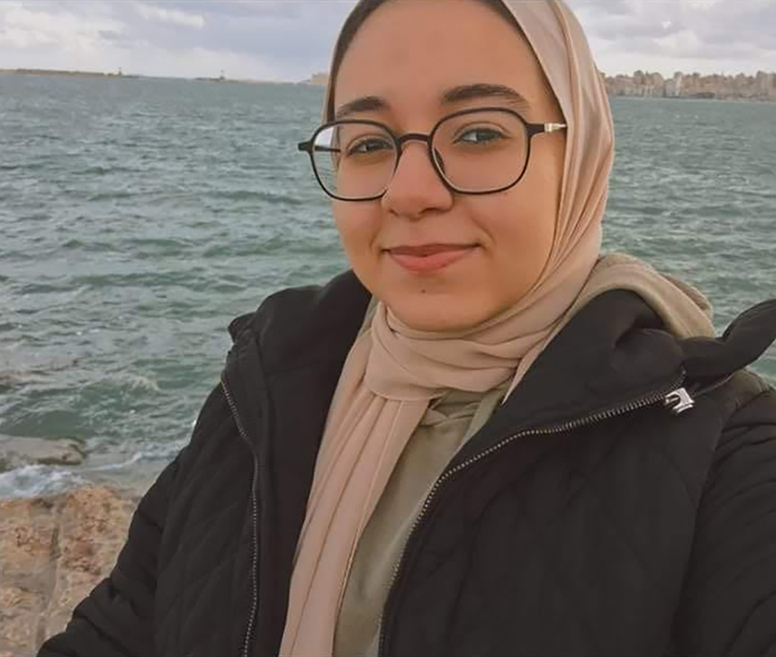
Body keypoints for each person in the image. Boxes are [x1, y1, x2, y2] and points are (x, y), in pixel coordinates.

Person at [39, 1, 776, 656]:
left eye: (480, 132)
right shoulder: (262, 392)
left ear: (580, 152)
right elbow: (122, 627)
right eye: (366, 143)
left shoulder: (720, 450)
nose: (411, 192)